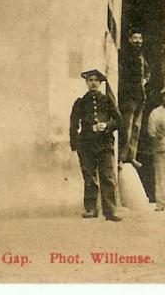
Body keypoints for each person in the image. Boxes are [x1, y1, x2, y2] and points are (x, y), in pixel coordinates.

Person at [69, 69, 122, 222]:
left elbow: (118, 121)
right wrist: (75, 144)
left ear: (100, 83)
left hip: (104, 144)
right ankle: (91, 209)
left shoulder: (107, 100)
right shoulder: (80, 102)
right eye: (90, 80)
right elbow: (73, 124)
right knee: (90, 177)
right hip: (86, 145)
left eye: (95, 80)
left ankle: (110, 211)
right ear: (86, 83)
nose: (93, 83)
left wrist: (106, 125)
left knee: (107, 177)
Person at [118, 30, 150, 167]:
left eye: (140, 38)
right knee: (126, 127)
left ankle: (131, 156)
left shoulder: (141, 57)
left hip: (139, 97)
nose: (138, 41)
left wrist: (145, 80)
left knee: (136, 128)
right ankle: (120, 157)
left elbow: (148, 72)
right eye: (135, 38)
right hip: (128, 96)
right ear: (130, 40)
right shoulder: (124, 54)